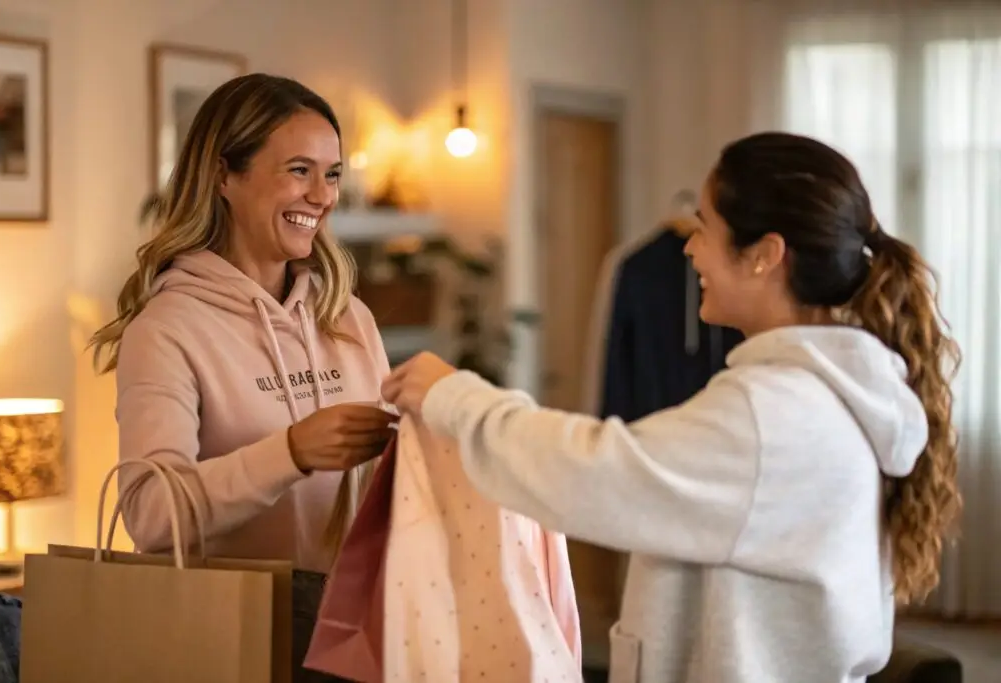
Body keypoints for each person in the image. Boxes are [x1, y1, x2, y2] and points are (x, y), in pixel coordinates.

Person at [381, 132, 962, 682]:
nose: (690, 248)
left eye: (705, 227)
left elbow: (596, 473)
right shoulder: (817, 397)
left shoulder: (775, 415)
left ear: (764, 255)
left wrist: (454, 395)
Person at [89, 73, 397, 682]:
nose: (322, 196)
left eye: (332, 174)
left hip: (354, 640)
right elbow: (151, 515)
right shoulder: (169, 328)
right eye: (299, 170)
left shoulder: (347, 317)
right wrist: (289, 452)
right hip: (227, 648)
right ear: (224, 176)